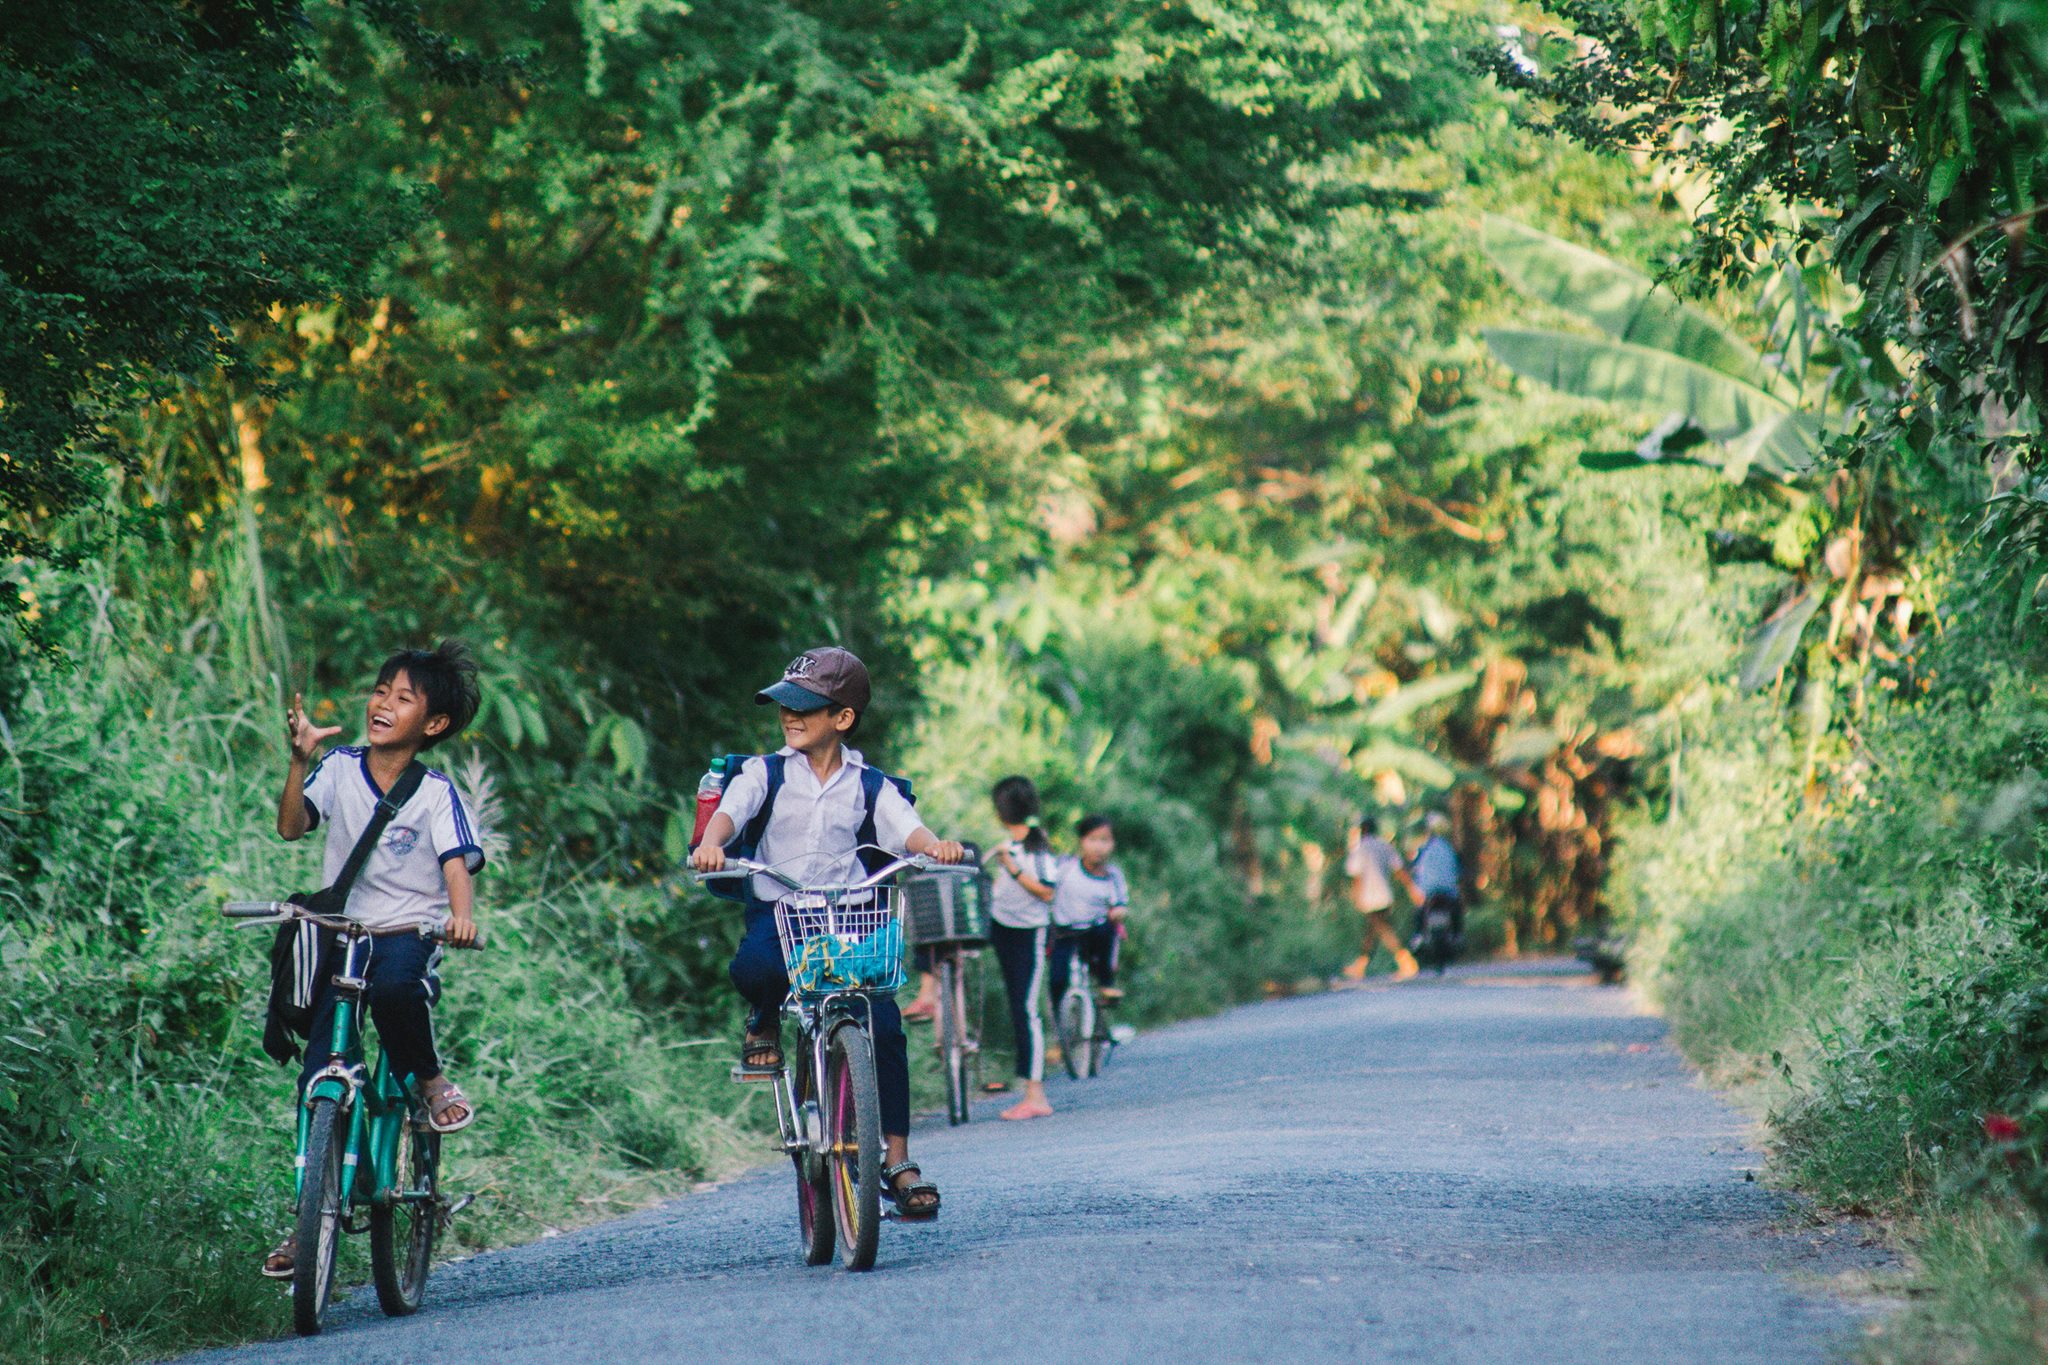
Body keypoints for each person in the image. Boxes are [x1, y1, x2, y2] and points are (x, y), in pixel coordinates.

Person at [689, 647, 964, 1221]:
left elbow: (906, 828)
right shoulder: (763, 773)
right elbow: (730, 814)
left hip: (849, 917)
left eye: (805, 708)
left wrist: (933, 846)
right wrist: (712, 844)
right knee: (756, 970)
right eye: (784, 706)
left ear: (842, 718)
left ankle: (897, 1159)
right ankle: (764, 1019)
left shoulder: (869, 785)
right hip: (781, 911)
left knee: (884, 1026)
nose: (790, 717)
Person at [263, 640, 487, 1278]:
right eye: (381, 690)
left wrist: (459, 917)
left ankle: (430, 1081)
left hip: (405, 930)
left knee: (394, 994)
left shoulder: (434, 792)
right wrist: (297, 760)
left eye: (403, 697)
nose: (383, 703)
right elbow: (290, 826)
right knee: (318, 1071)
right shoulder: (336, 766)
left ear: (433, 724)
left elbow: (454, 861)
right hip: (340, 929)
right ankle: (309, 1216)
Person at [984, 776, 1060, 1120]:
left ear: (1001, 812)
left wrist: (1011, 868)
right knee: (1018, 1008)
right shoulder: (1008, 846)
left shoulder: (1038, 849)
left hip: (1031, 934)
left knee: (1027, 1009)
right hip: (1002, 929)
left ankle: (1036, 1095)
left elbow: (1047, 891)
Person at [1048, 814, 1127, 1010]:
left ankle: (1106, 983)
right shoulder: (1065, 866)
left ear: (1113, 844)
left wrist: (1118, 911)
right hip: (1064, 933)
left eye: (1104, 840)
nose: (1098, 847)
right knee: (1057, 981)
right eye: (1092, 840)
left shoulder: (1113, 875)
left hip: (1095, 932)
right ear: (1082, 841)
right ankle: (1061, 1033)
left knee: (1107, 930)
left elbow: (1120, 904)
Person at [1341, 814, 1422, 981]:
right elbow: (1399, 871)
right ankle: (1361, 964)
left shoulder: (1359, 849)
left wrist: (1356, 896)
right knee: (1373, 929)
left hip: (1369, 896)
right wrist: (1413, 889)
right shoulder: (1385, 846)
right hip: (1385, 894)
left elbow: (1356, 876)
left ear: (1362, 830)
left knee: (1382, 928)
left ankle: (1405, 960)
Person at [1408, 810, 1465, 946]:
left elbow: (1414, 869)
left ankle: (1419, 935)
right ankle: (1458, 935)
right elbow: (1459, 872)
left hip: (1428, 892)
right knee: (1457, 907)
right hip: (1448, 891)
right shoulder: (1450, 849)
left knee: (1419, 909)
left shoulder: (1423, 849)